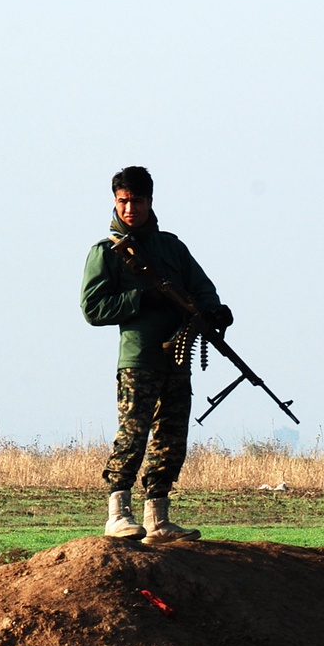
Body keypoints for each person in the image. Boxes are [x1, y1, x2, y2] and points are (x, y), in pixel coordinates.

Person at [80, 165, 232, 543]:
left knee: (171, 437)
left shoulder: (172, 248)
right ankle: (118, 514)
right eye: (123, 201)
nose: (130, 208)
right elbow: (92, 309)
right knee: (133, 435)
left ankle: (158, 518)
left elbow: (201, 287)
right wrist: (139, 297)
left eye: (137, 201)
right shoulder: (108, 252)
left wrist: (214, 310)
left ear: (150, 201)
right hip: (139, 359)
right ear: (115, 202)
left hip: (177, 358)